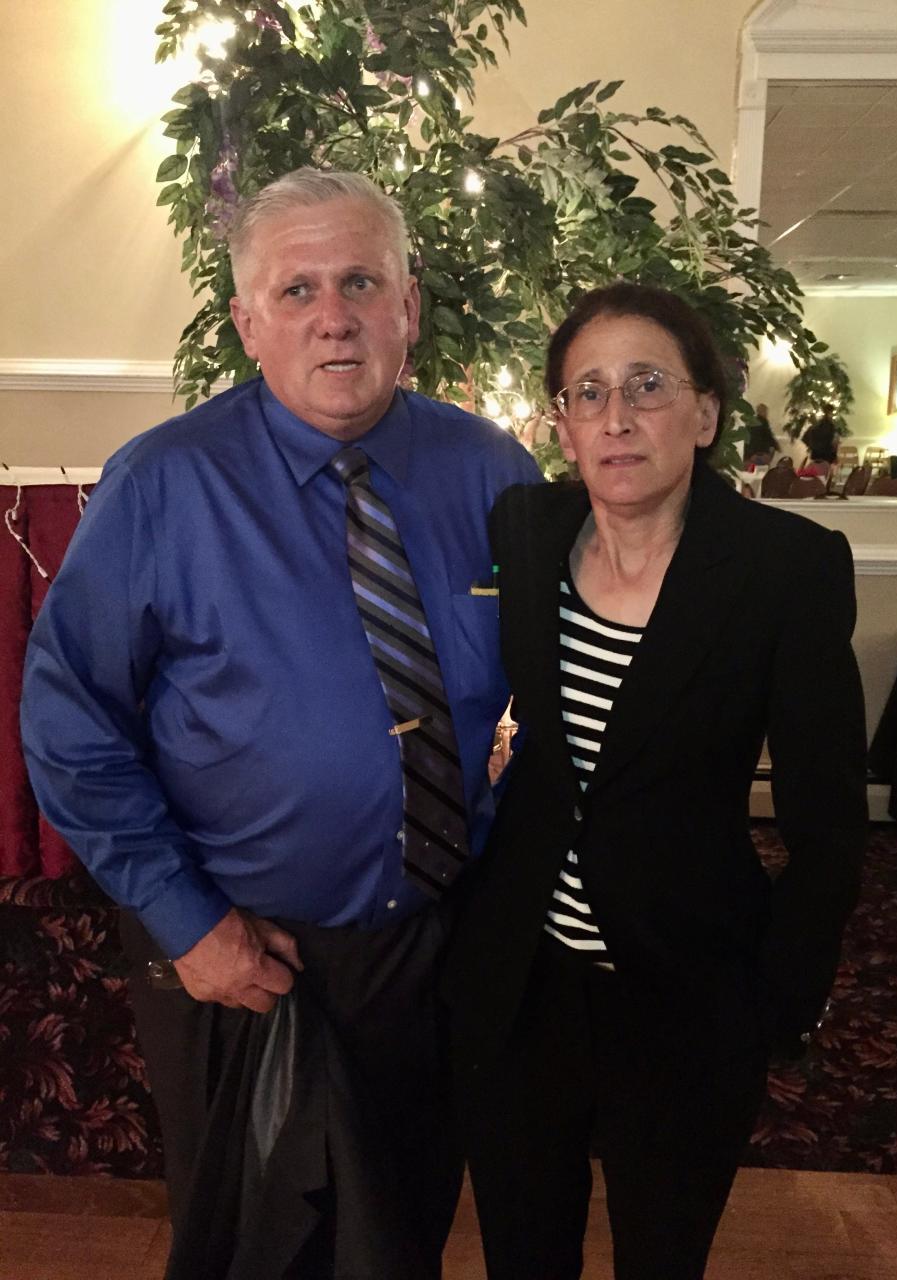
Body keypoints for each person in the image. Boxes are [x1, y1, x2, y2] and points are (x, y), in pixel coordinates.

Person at [20, 168, 541, 1279]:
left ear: (408, 306)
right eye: (296, 288)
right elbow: (70, 720)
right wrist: (189, 922)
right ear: (249, 322)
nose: (334, 313)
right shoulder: (163, 485)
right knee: (254, 1243)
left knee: (399, 1227)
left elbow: (547, 685)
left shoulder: (494, 473)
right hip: (247, 951)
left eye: (361, 279)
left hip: (431, 945)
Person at [442, 283, 867, 1279]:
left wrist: (781, 999)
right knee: (523, 1250)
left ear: (707, 412)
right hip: (524, 981)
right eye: (587, 393)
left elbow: (830, 822)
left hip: (685, 989)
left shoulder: (784, 568)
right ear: (562, 421)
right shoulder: (526, 529)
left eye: (646, 385)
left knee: (661, 1255)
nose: (616, 416)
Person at [801, 402, 838, 467]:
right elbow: (833, 441)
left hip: (816, 454)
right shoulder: (830, 425)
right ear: (830, 412)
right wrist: (834, 455)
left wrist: (811, 446)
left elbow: (805, 437)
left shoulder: (817, 424)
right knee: (824, 472)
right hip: (827, 454)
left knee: (815, 472)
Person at [744, 401, 778, 466]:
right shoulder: (764, 422)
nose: (767, 414)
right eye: (766, 412)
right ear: (763, 411)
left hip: (749, 456)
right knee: (772, 450)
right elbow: (769, 437)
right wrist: (777, 447)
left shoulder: (750, 422)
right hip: (761, 455)